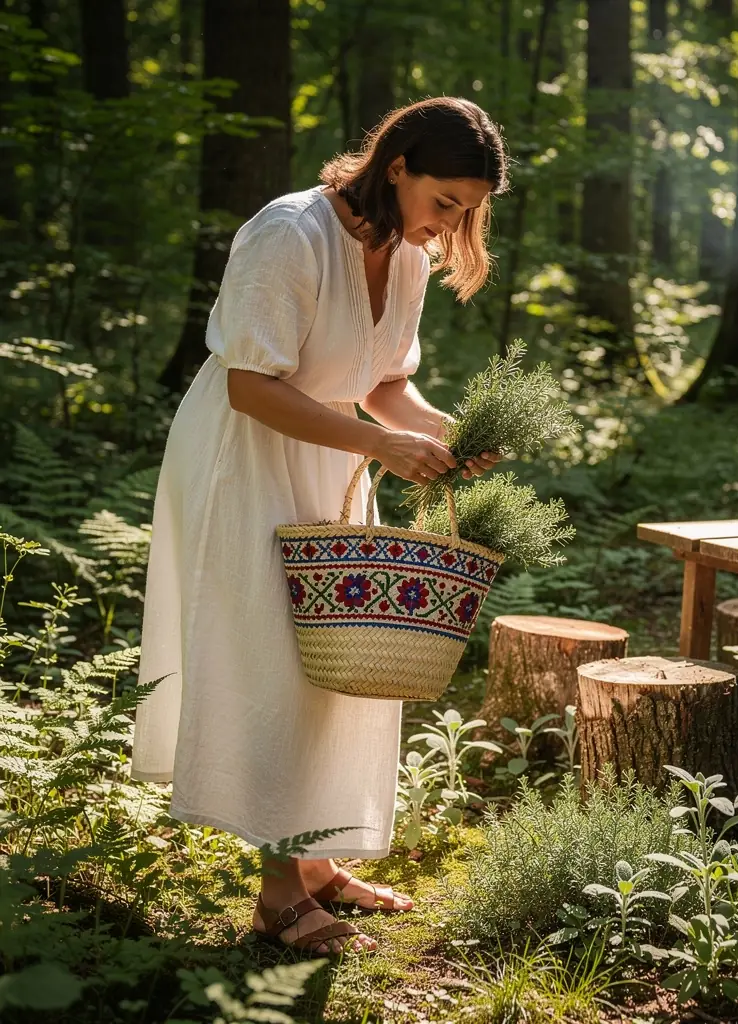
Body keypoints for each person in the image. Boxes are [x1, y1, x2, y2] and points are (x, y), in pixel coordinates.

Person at [131, 97, 508, 956]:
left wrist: (446, 435)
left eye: (468, 211)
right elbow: (250, 386)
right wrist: (381, 445)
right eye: (445, 201)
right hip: (246, 458)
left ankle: (317, 861)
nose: (451, 225)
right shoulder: (289, 233)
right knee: (275, 658)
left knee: (336, 660)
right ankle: (277, 896)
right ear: (397, 164)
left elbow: (381, 384)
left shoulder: (405, 257)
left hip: (331, 461)